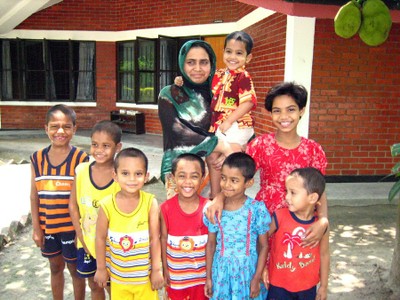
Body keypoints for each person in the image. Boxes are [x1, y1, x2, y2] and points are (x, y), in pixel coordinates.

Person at [207, 82, 328, 247]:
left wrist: (323, 220)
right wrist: (219, 198)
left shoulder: (313, 150)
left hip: (300, 221)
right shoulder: (261, 145)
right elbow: (238, 175)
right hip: (265, 219)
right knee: (263, 264)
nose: (284, 117)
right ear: (271, 113)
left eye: (291, 109)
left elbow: (319, 191)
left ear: (302, 111)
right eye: (277, 111)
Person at [175, 31, 257, 199]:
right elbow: (199, 84)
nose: (232, 57)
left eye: (239, 53)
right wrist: (182, 82)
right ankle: (215, 194)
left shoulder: (243, 76)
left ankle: (237, 169)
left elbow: (248, 102)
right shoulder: (219, 75)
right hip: (222, 126)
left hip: (237, 125)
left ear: (248, 58)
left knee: (227, 158)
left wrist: (228, 121)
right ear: (223, 52)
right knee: (212, 156)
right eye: (229, 51)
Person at [30, 104, 89, 300]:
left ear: (75, 129)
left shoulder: (81, 158)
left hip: (72, 230)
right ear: (46, 128)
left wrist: (81, 233)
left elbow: (84, 197)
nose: (60, 131)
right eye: (54, 126)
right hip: (48, 228)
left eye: (66, 126)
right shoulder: (36, 159)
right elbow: (34, 196)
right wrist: (37, 228)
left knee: (75, 270)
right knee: (55, 267)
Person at [94, 147, 164, 299]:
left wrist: (157, 270)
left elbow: (154, 239)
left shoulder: (150, 202)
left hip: (145, 280)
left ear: (146, 176)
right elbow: (99, 238)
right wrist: (100, 268)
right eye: (125, 173)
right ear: (115, 175)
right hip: (118, 280)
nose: (132, 179)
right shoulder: (106, 205)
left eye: (138, 174)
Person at [158, 40, 221, 199]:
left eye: (204, 62)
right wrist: (220, 145)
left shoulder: (218, 94)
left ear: (211, 64)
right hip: (180, 171)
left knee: (210, 220)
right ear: (182, 64)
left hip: (214, 170)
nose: (198, 69)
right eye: (191, 62)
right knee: (181, 220)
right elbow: (178, 133)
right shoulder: (170, 94)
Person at [203, 152, 270, 299]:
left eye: (234, 180)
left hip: (248, 273)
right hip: (221, 273)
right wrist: (208, 277)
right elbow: (211, 244)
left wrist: (257, 277)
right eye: (223, 178)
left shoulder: (256, 210)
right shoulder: (214, 210)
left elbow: (264, 245)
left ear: (249, 183)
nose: (226, 185)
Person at [69, 120, 122, 299]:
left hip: (112, 247)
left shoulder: (120, 177)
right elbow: (73, 206)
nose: (99, 150)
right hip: (86, 243)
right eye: (94, 145)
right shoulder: (82, 171)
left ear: (118, 147)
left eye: (106, 146)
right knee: (94, 285)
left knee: (113, 286)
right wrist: (80, 233)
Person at [266, 167, 330, 300]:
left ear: (312, 198)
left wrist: (324, 286)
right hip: (278, 286)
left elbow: (324, 255)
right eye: (286, 191)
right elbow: (262, 241)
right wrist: (262, 268)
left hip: (307, 288)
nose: (286, 197)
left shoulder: (320, 227)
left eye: (293, 193)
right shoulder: (279, 216)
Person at [160, 153, 209, 300]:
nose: (188, 182)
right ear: (173, 177)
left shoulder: (209, 208)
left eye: (194, 176)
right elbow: (163, 239)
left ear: (203, 178)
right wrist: (164, 268)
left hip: (202, 280)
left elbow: (213, 244)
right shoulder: (165, 208)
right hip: (176, 279)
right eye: (182, 176)